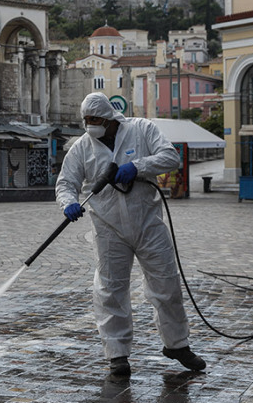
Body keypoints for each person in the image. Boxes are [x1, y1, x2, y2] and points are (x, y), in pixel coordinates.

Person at [55, 92, 206, 378]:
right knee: (110, 290)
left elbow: (170, 157)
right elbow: (66, 182)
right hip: (108, 228)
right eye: (86, 120)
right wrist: (68, 202)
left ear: (109, 118)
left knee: (167, 283)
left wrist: (137, 167)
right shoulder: (82, 147)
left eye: (95, 119)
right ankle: (117, 354)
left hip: (148, 223)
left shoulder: (142, 129)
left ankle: (177, 345)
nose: (90, 125)